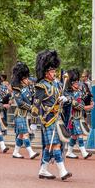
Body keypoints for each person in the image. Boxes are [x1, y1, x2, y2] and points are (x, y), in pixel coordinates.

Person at [31, 49, 72, 181]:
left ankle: (43, 170)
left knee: (49, 146)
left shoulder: (58, 84)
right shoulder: (41, 86)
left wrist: (66, 99)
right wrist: (33, 121)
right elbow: (36, 104)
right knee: (55, 145)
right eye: (52, 71)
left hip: (58, 118)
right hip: (48, 119)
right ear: (46, 72)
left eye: (55, 71)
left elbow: (67, 96)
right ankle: (62, 171)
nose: (54, 73)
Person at [11, 62, 39, 160]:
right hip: (19, 114)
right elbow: (20, 103)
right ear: (22, 80)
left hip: (24, 114)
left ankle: (15, 152)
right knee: (25, 133)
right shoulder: (17, 89)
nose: (28, 80)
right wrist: (31, 107)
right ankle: (31, 152)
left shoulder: (27, 88)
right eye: (26, 79)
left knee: (21, 135)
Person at [65, 69, 94, 160]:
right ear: (71, 84)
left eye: (78, 83)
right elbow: (76, 105)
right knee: (79, 134)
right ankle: (84, 153)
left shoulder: (78, 92)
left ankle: (69, 152)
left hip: (78, 117)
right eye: (76, 83)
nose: (78, 84)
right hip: (72, 118)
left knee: (74, 136)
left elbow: (84, 100)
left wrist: (90, 100)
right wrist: (87, 107)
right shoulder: (68, 94)